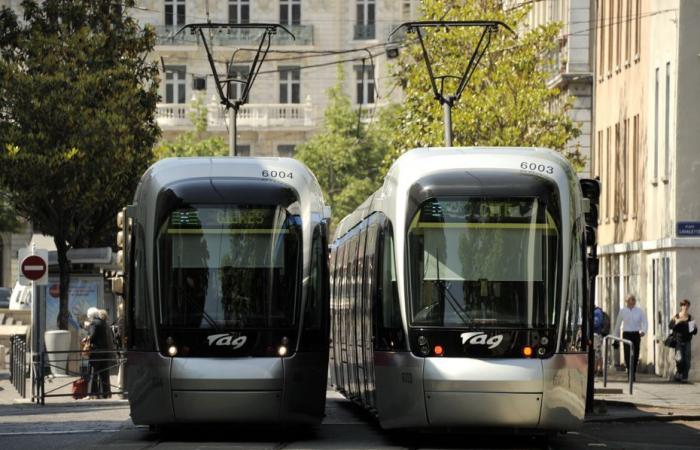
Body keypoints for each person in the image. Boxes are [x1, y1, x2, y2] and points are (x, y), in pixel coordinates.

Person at [613, 295, 647, 381]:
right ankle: (630, 373)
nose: (631, 302)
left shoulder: (639, 311)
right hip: (627, 334)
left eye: (633, 300)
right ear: (626, 301)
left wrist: (643, 331)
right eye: (629, 300)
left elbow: (645, 321)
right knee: (628, 354)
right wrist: (615, 337)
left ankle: (633, 371)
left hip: (636, 334)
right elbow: (618, 324)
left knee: (635, 354)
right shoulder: (623, 311)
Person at [86, 307, 112, 399]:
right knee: (104, 373)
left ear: (90, 316)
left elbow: (92, 336)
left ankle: (92, 394)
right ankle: (105, 394)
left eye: (88, 316)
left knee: (93, 373)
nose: (88, 318)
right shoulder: (103, 322)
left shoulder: (93, 323)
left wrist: (86, 337)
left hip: (96, 351)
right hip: (105, 351)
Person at [669, 299, 697, 382]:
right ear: (681, 306)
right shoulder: (676, 317)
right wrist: (677, 322)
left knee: (687, 361)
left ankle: (684, 377)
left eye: (687, 305)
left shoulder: (690, 318)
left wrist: (694, 327)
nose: (685, 307)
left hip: (687, 341)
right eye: (684, 305)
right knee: (679, 359)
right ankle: (679, 373)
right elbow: (670, 326)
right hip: (678, 341)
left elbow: (693, 332)